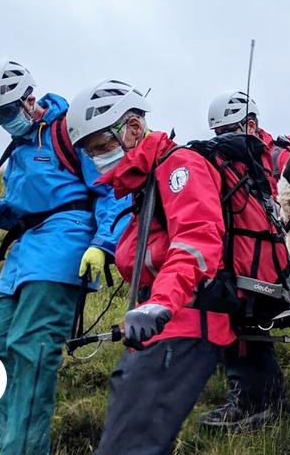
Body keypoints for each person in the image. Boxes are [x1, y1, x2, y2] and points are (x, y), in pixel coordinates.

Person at [0, 61, 129, 455]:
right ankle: (11, 445)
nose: (3, 122)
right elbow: (23, 211)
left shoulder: (70, 131)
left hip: (60, 252)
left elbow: (111, 192)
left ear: (28, 99)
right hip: (21, 260)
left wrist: (103, 245)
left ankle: (24, 450)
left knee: (31, 352)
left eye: (5, 112)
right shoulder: (17, 150)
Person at [66, 80, 234, 454]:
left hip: (183, 324)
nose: (98, 159)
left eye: (102, 147)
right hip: (160, 326)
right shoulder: (146, 182)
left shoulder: (179, 166)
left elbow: (196, 240)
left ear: (133, 127)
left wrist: (160, 302)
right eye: (91, 153)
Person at [200, 89, 288, 430]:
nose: (223, 140)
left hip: (279, 254)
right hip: (240, 256)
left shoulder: (279, 155)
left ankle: (259, 401)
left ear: (250, 124)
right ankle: (255, 398)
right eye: (218, 134)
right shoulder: (225, 160)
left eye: (229, 131)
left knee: (244, 319)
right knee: (234, 317)